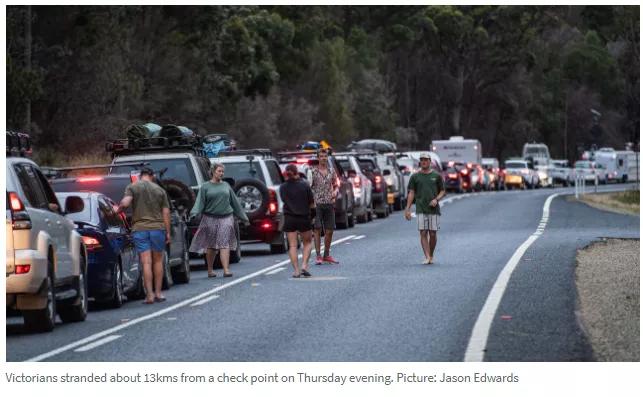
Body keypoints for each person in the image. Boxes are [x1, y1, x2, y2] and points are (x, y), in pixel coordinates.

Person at [117, 167, 171, 304]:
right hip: (157, 228)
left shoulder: (132, 187)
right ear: (152, 176)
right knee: (158, 261)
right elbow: (166, 213)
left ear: (141, 176)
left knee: (146, 262)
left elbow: (126, 202)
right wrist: (168, 232)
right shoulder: (160, 190)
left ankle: (150, 296)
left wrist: (118, 209)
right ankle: (159, 293)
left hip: (139, 228)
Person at [189, 162, 249, 278]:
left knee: (224, 243)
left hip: (226, 217)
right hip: (210, 218)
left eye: (222, 171)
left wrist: (244, 218)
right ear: (213, 171)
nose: (221, 173)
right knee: (211, 246)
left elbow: (235, 203)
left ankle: (226, 269)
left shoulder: (226, 186)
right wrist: (194, 212)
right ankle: (210, 269)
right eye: (219, 171)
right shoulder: (205, 187)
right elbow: (199, 203)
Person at [404, 153, 446, 264]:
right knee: (423, 232)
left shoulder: (436, 176)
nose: (424, 162)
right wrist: (407, 208)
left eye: (426, 160)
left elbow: (442, 191)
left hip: (433, 209)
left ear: (430, 161)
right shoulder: (415, 176)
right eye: (422, 160)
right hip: (421, 208)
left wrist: (436, 199)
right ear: (420, 162)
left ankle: (431, 254)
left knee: (432, 233)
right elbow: (411, 192)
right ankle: (427, 256)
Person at [280, 164, 315, 278]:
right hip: (304, 217)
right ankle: (304, 265)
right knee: (308, 243)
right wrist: (313, 216)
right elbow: (311, 203)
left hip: (290, 218)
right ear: (297, 173)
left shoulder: (283, 187)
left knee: (293, 245)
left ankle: (296, 270)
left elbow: (284, 200)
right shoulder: (304, 185)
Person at [309, 148, 340, 265]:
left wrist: (335, 192)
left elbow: (336, 185)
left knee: (330, 230)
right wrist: (311, 202)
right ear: (318, 158)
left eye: (325, 156)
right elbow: (308, 187)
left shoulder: (331, 171)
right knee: (317, 229)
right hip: (317, 204)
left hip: (329, 203)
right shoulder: (312, 171)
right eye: (321, 156)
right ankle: (318, 255)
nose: (323, 158)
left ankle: (326, 254)